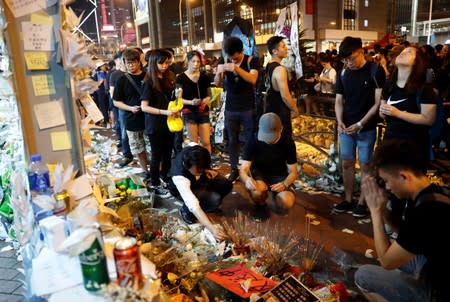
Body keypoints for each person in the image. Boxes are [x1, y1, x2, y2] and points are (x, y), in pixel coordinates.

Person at [354, 139, 450, 302]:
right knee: (396, 251)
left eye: (387, 181)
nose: (388, 187)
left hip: (438, 291)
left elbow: (386, 262)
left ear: (404, 176)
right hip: (433, 265)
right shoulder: (431, 192)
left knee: (362, 276)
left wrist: (375, 213)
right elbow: (409, 233)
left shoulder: (426, 213)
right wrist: (384, 211)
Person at [334, 36, 386, 218]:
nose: (349, 63)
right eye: (345, 60)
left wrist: (360, 124)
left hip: (367, 128)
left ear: (361, 51)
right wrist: (339, 120)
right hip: (346, 128)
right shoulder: (343, 73)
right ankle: (348, 199)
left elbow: (377, 103)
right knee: (347, 163)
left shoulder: (375, 71)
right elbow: (339, 100)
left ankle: (362, 202)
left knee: (365, 165)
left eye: (352, 58)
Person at [380, 45, 436, 169]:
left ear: (417, 62)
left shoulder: (424, 88)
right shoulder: (389, 84)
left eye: (409, 52)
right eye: (403, 51)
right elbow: (382, 113)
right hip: (390, 142)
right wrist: (383, 111)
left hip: (413, 146)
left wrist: (398, 113)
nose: (403, 53)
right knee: (388, 182)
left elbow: (428, 119)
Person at [214, 36, 259, 182]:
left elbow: (253, 79)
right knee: (232, 140)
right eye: (230, 58)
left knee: (249, 139)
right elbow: (218, 84)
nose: (232, 60)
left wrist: (236, 68)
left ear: (241, 51)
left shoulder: (251, 60)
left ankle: (249, 167)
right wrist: (218, 72)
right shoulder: (224, 60)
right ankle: (234, 168)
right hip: (231, 108)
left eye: (235, 57)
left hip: (247, 107)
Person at [239, 113, 298, 222]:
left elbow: (293, 172)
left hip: (280, 175)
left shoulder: (288, 142)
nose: (267, 140)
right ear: (260, 128)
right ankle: (261, 205)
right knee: (256, 192)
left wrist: (285, 184)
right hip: (260, 174)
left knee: (287, 202)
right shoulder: (253, 139)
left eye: (271, 136)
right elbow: (244, 168)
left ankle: (277, 197)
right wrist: (247, 179)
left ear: (281, 129)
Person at [168, 144, 232, 240]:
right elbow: (193, 204)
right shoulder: (180, 177)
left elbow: (202, 163)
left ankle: (207, 205)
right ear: (189, 166)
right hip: (179, 190)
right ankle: (185, 212)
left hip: (197, 181)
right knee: (214, 198)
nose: (201, 170)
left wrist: (207, 170)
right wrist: (212, 229)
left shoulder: (194, 149)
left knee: (226, 184)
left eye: (202, 167)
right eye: (199, 169)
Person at [141, 49, 180, 196]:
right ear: (153, 63)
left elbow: (170, 100)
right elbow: (144, 107)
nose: (165, 65)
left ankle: (165, 177)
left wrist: (176, 104)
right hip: (155, 124)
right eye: (161, 63)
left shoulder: (168, 78)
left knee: (167, 153)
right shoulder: (148, 81)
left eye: (166, 62)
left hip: (169, 122)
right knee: (156, 155)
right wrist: (165, 112)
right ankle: (155, 183)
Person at [113, 48, 149, 176]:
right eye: (128, 63)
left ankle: (158, 171)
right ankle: (146, 172)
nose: (130, 65)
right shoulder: (122, 80)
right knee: (139, 149)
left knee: (154, 149)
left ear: (139, 62)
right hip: (131, 120)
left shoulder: (148, 76)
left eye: (133, 62)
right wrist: (130, 108)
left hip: (149, 119)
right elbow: (116, 101)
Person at [176, 51, 212, 153]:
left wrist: (206, 100)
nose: (196, 64)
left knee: (206, 142)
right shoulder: (180, 78)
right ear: (188, 62)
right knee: (194, 142)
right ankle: (195, 165)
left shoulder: (204, 77)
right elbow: (178, 99)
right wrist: (191, 102)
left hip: (203, 111)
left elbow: (210, 95)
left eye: (198, 61)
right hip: (189, 112)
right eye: (193, 61)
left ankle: (207, 164)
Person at [265, 36, 299, 136]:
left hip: (271, 109)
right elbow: (285, 96)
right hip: (280, 112)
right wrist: (295, 108)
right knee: (284, 141)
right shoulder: (280, 70)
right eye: (283, 46)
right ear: (275, 51)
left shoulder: (268, 66)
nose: (286, 49)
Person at [109, 53, 134, 167]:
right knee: (125, 133)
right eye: (123, 61)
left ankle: (142, 155)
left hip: (139, 108)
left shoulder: (139, 74)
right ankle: (127, 155)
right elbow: (112, 94)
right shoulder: (115, 75)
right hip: (123, 109)